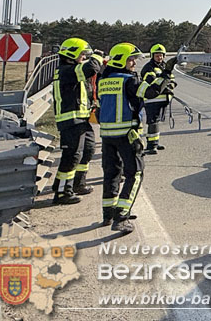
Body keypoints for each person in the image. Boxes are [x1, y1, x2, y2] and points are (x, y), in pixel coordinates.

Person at [98, 42, 175, 233]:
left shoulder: (104, 80)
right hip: (126, 135)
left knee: (111, 174)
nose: (134, 63)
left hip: (107, 136)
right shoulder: (128, 81)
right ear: (120, 60)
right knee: (135, 173)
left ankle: (108, 213)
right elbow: (151, 92)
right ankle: (121, 216)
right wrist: (166, 73)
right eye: (131, 59)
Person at [51, 38, 104, 205]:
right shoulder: (66, 70)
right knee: (71, 156)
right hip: (69, 120)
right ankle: (61, 193)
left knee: (88, 150)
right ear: (72, 53)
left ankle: (78, 184)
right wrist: (96, 57)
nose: (84, 57)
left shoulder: (73, 68)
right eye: (82, 54)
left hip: (81, 119)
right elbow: (91, 68)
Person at [140, 44, 174, 154]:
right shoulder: (148, 68)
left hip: (163, 99)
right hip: (152, 100)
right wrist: (164, 86)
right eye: (157, 56)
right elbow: (152, 82)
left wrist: (170, 86)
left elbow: (171, 80)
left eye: (161, 55)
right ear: (152, 56)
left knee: (157, 122)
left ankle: (155, 142)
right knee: (152, 122)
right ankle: (151, 146)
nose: (159, 58)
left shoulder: (165, 66)